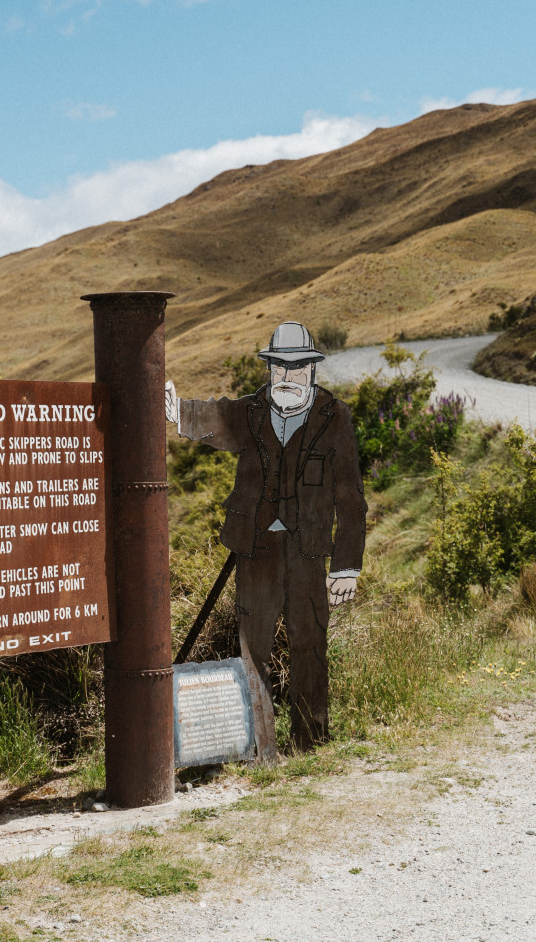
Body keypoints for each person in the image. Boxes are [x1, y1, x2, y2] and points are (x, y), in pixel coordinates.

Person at [165, 321, 367, 758]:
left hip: (308, 552)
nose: (287, 378)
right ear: (270, 369)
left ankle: (310, 744)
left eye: (296, 369)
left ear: (312, 370)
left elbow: (350, 497)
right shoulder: (252, 410)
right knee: (250, 647)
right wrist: (176, 409)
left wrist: (346, 567)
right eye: (279, 368)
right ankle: (261, 747)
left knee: (309, 644)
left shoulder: (335, 416)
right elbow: (214, 417)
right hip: (256, 550)